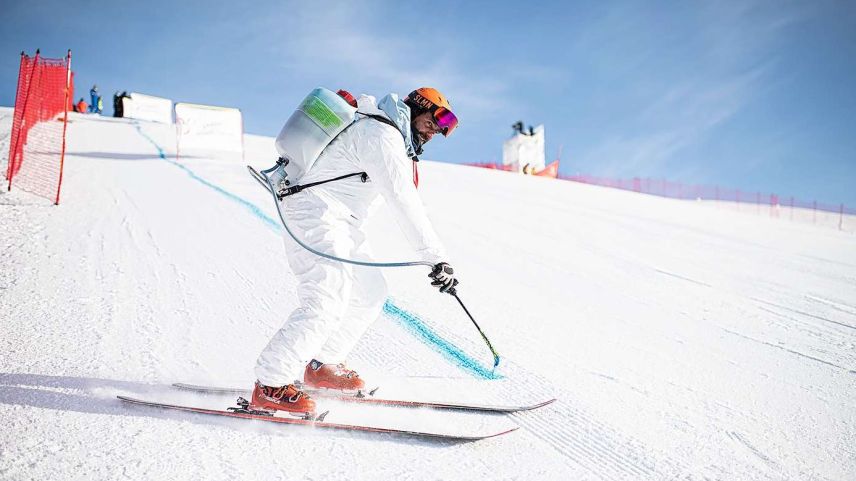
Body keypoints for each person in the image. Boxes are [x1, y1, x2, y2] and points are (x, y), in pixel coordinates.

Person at [250, 88, 460, 416]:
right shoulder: (382, 135)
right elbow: (403, 200)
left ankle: (323, 365)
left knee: (370, 293)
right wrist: (436, 257)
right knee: (325, 299)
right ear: (419, 106)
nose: (439, 129)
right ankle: (271, 384)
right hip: (315, 210)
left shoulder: (393, 140)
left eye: (447, 126)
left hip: (342, 222)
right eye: (438, 118)